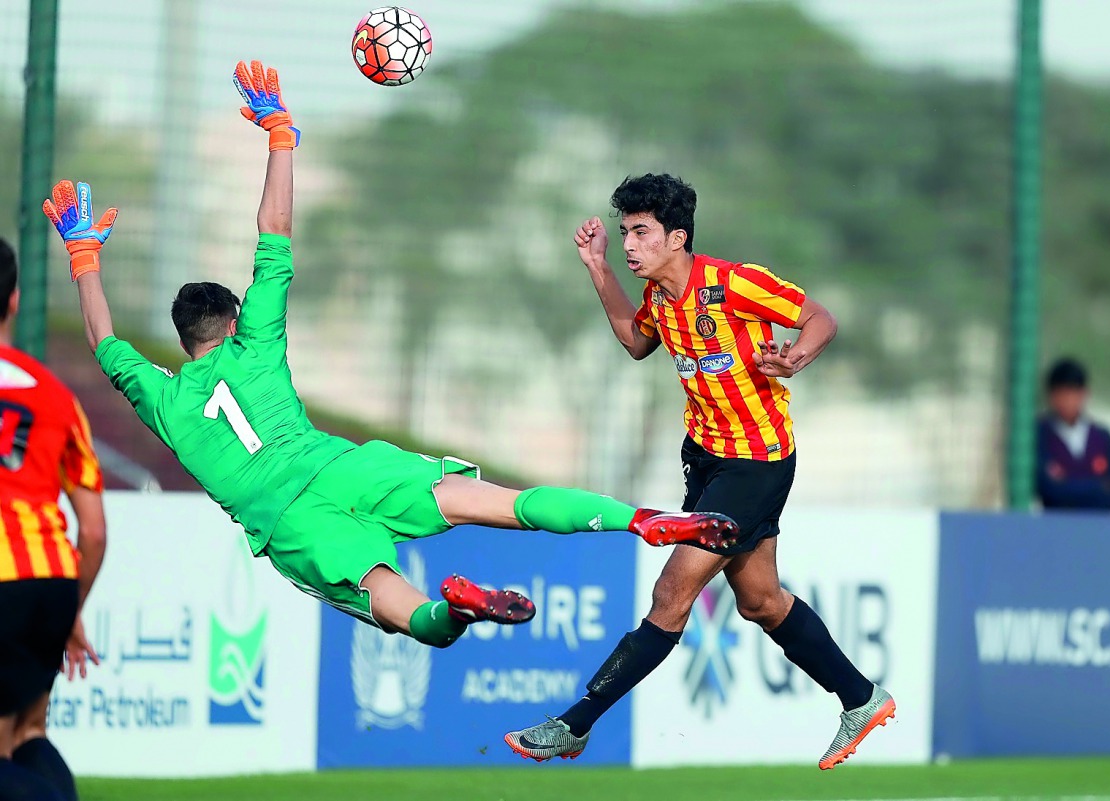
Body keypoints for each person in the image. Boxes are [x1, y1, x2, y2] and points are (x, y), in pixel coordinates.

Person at [46, 62, 736, 650]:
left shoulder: (163, 400)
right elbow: (273, 230)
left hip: (291, 522)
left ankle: (459, 605)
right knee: (498, 501)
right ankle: (641, 519)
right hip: (344, 465)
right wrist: (280, 135)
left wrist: (84, 258)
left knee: (416, 618)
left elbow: (106, 344)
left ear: (186, 338)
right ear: (230, 321)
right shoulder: (254, 341)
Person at [506, 174, 894, 770]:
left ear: (677, 236)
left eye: (641, 232)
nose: (629, 244)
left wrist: (794, 357)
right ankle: (861, 698)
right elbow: (636, 342)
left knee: (671, 594)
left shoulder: (734, 283)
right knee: (761, 601)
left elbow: (820, 318)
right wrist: (597, 268)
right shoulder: (661, 299)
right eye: (624, 232)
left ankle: (574, 723)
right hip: (707, 462)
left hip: (756, 464)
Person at [0, 237, 107, 801]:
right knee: (29, 730)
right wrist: (71, 609)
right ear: (14, 300)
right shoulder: (56, 397)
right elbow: (92, 530)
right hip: (48, 582)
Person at [1036, 357, 1110, 512]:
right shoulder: (1039, 433)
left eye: (1072, 394)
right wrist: (1100, 485)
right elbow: (1048, 489)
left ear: (1085, 394)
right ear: (1051, 396)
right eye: (1062, 394)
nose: (1068, 401)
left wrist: (1066, 483)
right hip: (1057, 528)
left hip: (1098, 529)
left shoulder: (1102, 436)